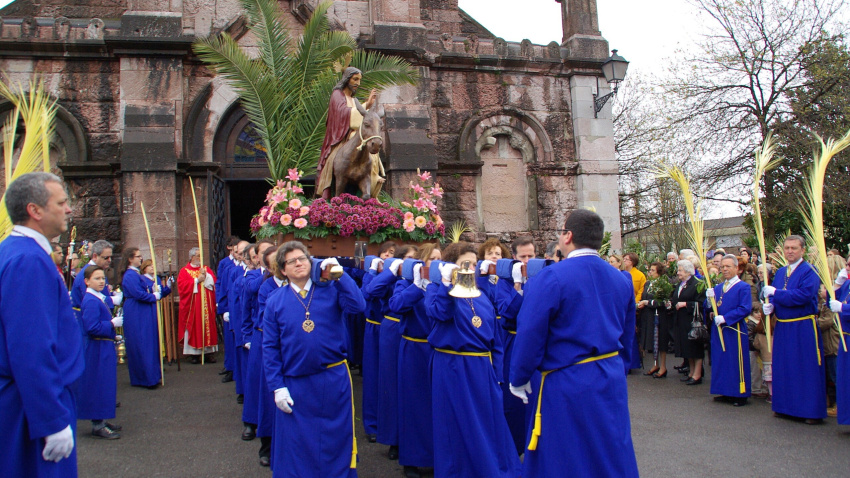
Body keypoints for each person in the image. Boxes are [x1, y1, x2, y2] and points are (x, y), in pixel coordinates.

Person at [510, 209, 637, 477]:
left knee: (567, 455)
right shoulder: (621, 278)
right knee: (609, 450)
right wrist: (619, 367)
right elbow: (627, 335)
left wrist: (519, 377)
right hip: (610, 376)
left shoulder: (550, 276)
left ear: (568, 236)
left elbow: (530, 334)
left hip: (567, 381)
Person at [0, 172, 83, 476]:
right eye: (61, 202)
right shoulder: (28, 261)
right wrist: (51, 420)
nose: (69, 209)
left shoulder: (17, 252)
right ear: (35, 210)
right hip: (30, 408)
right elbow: (30, 348)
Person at [263, 241, 366, 478]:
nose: (299, 263)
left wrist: (339, 275)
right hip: (295, 384)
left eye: (302, 258)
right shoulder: (275, 301)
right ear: (282, 270)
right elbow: (270, 348)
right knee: (298, 445)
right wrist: (277, 387)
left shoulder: (331, 290)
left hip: (333, 379)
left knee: (335, 439)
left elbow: (358, 306)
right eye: (291, 261)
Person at [427, 242, 520, 478]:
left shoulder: (481, 295)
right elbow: (440, 313)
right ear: (451, 267)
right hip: (453, 368)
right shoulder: (436, 290)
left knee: (489, 423)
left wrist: (497, 376)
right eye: (464, 264)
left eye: (474, 264)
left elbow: (495, 340)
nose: (471, 268)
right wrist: (446, 284)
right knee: (459, 425)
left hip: (482, 369)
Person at [388, 245, 440, 478]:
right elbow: (397, 306)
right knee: (413, 403)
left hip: (437, 349)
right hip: (413, 348)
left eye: (440, 260)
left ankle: (437, 455)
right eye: (432, 260)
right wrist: (418, 286)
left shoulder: (444, 285)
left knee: (437, 404)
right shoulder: (406, 282)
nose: (436, 265)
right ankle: (411, 459)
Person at [762, 235, 825, 424]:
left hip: (802, 326)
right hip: (783, 325)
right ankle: (784, 406)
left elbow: (803, 296)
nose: (790, 251)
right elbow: (774, 294)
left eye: (794, 248)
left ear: (802, 250)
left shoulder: (810, 271)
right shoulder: (780, 272)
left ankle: (810, 411)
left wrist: (777, 295)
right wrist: (771, 305)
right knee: (783, 366)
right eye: (787, 248)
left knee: (805, 367)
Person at [363, 244, 418, 460]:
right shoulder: (392, 277)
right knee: (390, 384)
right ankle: (392, 435)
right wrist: (391, 272)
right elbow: (371, 291)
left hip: (417, 334)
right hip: (393, 329)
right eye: (409, 259)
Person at [316, 66, 379, 200]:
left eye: (359, 80)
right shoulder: (337, 95)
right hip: (341, 138)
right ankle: (329, 190)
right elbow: (342, 114)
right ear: (346, 79)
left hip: (356, 136)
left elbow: (360, 115)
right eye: (355, 79)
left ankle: (374, 182)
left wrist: (367, 105)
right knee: (333, 159)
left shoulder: (351, 98)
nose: (358, 83)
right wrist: (366, 105)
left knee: (373, 155)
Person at [76, 266, 123, 439]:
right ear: (87, 281)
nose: (101, 281)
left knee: (105, 384)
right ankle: (97, 424)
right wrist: (111, 324)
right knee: (98, 384)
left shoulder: (98, 298)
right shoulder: (90, 300)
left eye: (103, 278)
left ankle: (101, 419)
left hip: (103, 345)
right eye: (97, 278)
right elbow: (91, 327)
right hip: (97, 348)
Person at [359, 241, 396, 444]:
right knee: (373, 376)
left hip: (393, 329)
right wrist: (375, 272)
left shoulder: (400, 274)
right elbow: (367, 293)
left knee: (391, 378)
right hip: (375, 327)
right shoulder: (373, 273)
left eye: (393, 253)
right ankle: (372, 423)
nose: (389, 256)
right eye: (386, 253)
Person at [705, 255, 752, 406]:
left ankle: (739, 393)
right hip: (719, 329)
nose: (724, 269)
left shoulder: (743, 286)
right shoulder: (719, 288)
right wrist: (709, 301)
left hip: (734, 329)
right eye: (723, 267)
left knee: (735, 361)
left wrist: (726, 318)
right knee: (721, 360)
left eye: (728, 266)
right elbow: (714, 307)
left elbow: (745, 308)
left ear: (737, 268)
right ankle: (724, 390)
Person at [242, 241, 274, 442]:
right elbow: (246, 305)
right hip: (259, 333)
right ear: (257, 257)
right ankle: (250, 421)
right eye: (264, 252)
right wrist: (245, 335)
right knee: (255, 381)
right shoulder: (254, 275)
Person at [122, 249, 166, 388]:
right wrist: (154, 296)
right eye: (138, 256)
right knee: (142, 342)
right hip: (137, 310)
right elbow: (138, 294)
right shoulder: (130, 275)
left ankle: (151, 375)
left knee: (148, 341)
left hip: (143, 309)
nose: (141, 258)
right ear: (130, 259)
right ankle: (146, 378)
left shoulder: (135, 274)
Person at [253, 245, 280, 467]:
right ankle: (267, 446)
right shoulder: (267, 287)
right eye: (274, 263)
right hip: (273, 347)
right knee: (270, 399)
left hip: (294, 351)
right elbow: (263, 318)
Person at [177, 247, 218, 364]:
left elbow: (213, 282)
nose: (200, 258)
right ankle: (194, 354)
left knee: (208, 326)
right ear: (191, 257)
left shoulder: (205, 269)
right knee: (195, 326)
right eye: (197, 256)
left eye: (201, 256)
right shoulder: (184, 271)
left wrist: (206, 277)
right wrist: (196, 280)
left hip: (206, 305)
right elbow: (182, 287)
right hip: (193, 306)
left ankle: (209, 353)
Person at [669, 259, 706, 384]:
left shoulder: (697, 284)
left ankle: (697, 374)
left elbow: (702, 303)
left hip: (692, 321)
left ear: (688, 271)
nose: (678, 273)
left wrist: (686, 304)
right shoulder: (680, 284)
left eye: (680, 270)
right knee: (687, 347)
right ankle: (691, 371)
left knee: (695, 347)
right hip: (681, 320)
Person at [639, 262, 672, 378]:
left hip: (660, 316)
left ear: (659, 272)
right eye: (650, 270)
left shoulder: (664, 284)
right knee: (653, 341)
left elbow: (665, 302)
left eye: (653, 270)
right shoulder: (648, 283)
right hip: (648, 316)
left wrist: (648, 303)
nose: (650, 272)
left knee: (661, 342)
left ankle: (663, 366)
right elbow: (644, 296)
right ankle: (655, 364)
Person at [72, 239, 122, 315]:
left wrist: (112, 294)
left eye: (110, 257)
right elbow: (90, 300)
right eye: (106, 258)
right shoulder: (86, 273)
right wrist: (112, 300)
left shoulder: (97, 271)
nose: (110, 260)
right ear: (95, 256)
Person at [216, 236, 241, 381]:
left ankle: (235, 369)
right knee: (229, 340)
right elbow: (221, 284)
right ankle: (229, 366)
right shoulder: (225, 264)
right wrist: (221, 304)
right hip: (229, 305)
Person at [829, 259, 850, 425]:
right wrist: (837, 283)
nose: (847, 268)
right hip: (846, 337)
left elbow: (840, 306)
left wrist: (843, 308)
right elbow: (830, 297)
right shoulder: (847, 284)